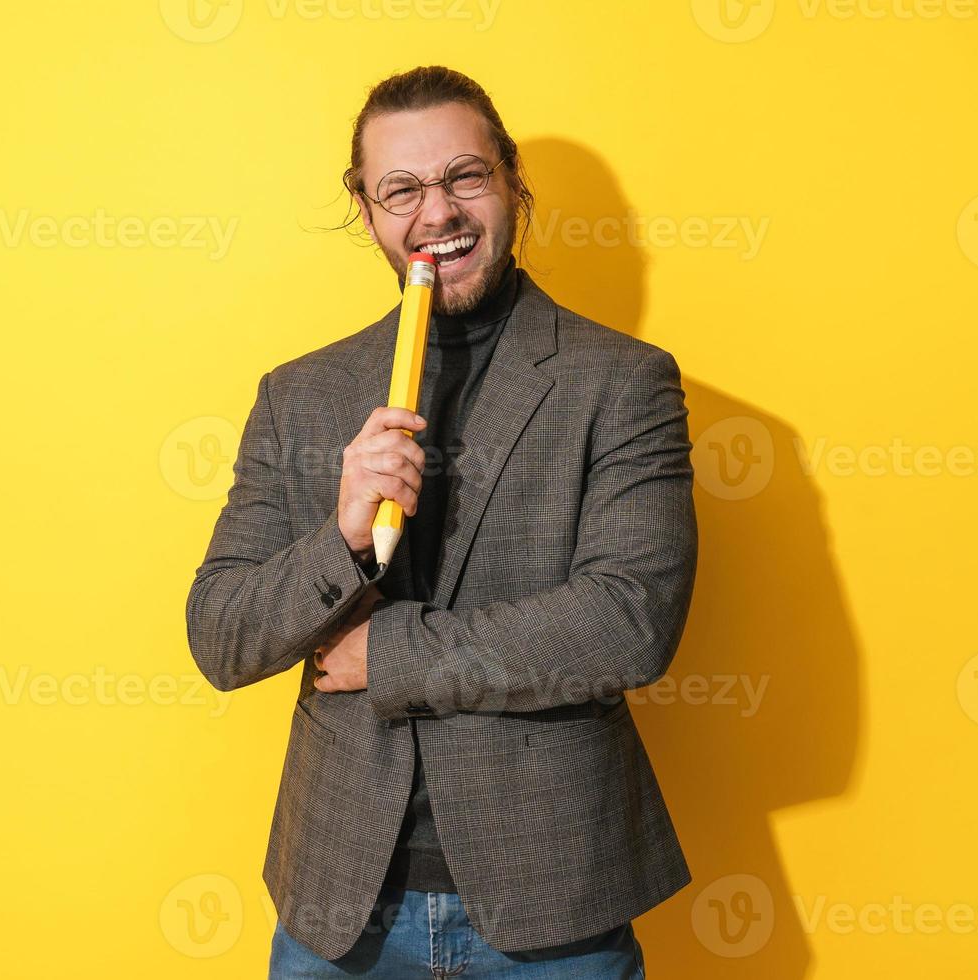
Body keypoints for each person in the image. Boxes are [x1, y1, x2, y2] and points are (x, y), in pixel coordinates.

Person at [185, 65, 698, 979]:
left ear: (510, 181)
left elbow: (628, 621)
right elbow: (221, 637)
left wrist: (386, 656)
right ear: (367, 208)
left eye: (465, 176)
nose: (438, 213)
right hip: (339, 904)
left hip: (554, 905)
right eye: (403, 189)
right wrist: (340, 535)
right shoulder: (298, 395)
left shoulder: (623, 381)